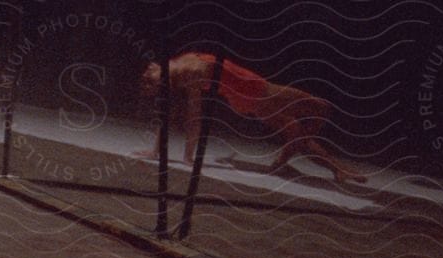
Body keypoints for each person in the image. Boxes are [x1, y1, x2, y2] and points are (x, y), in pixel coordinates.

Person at [137, 52, 365, 184]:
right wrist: (188, 157)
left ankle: (335, 168)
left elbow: (173, 113)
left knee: (296, 131)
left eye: (150, 77)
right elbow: (193, 118)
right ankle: (285, 158)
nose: (149, 74)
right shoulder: (189, 73)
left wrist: (157, 152)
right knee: (321, 108)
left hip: (249, 96)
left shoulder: (180, 61)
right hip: (257, 92)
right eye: (153, 81)